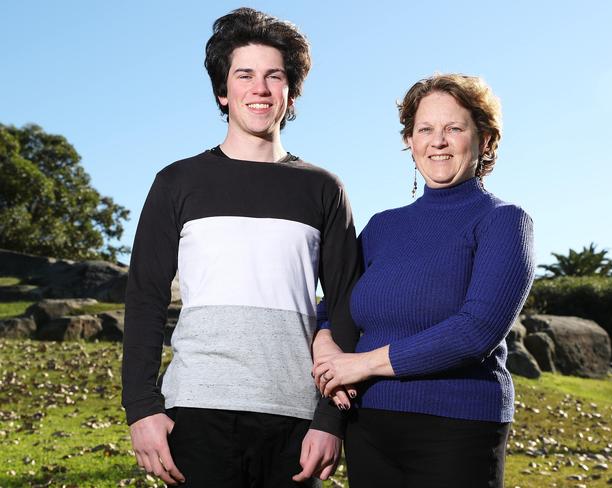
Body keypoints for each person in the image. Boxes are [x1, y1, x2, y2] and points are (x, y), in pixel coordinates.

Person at [121, 8, 359, 487]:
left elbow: (348, 306)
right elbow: (145, 298)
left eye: (275, 76)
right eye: (245, 75)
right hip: (196, 411)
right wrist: (141, 408)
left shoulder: (323, 188)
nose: (261, 88)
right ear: (222, 92)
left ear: (290, 93)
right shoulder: (176, 183)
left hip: (294, 419)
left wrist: (330, 420)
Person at [313, 73, 535, 487]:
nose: (438, 141)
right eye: (425, 129)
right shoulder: (382, 227)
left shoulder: (503, 222)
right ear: (410, 142)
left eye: (454, 128)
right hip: (370, 426)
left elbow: (475, 332)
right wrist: (326, 347)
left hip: (457, 428)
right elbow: (334, 303)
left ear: (485, 140)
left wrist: (360, 364)